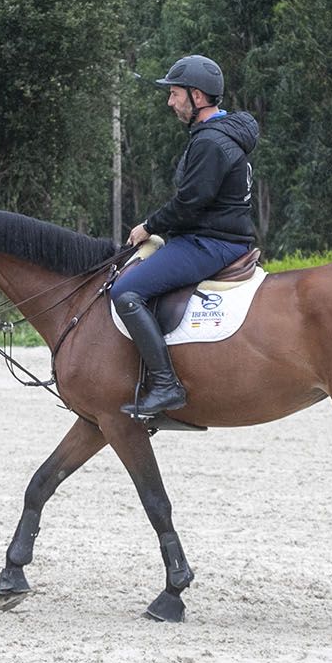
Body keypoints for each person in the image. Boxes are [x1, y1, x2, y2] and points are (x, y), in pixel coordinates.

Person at [113, 54, 261, 419]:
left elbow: (190, 202)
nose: (170, 101)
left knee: (125, 291)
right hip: (217, 237)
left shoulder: (210, 142)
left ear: (197, 96)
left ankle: (165, 385)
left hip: (210, 243)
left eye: (175, 93)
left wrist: (149, 226)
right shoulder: (219, 135)